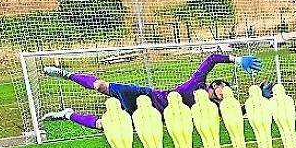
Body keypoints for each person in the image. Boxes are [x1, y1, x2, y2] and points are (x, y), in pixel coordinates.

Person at [40, 53, 271, 130]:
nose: (225, 93)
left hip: (151, 117)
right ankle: (66, 74)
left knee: (105, 125)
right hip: (145, 96)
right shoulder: (198, 82)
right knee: (101, 86)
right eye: (224, 87)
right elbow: (211, 59)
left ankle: (67, 114)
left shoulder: (213, 109)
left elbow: (236, 112)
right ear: (215, 85)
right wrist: (237, 60)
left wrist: (258, 98)